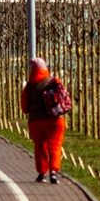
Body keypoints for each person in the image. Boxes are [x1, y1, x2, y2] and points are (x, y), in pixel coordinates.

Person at [21, 56, 72, 184]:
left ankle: (42, 173)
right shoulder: (53, 81)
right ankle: (54, 172)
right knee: (55, 146)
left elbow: (24, 107)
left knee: (40, 147)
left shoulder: (28, 87)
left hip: (36, 122)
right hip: (55, 120)